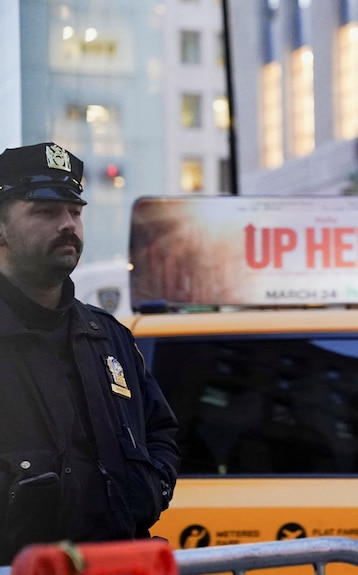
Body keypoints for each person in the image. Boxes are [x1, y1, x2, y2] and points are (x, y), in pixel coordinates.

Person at [0, 142, 180, 563]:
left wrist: (149, 490)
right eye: (44, 212)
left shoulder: (109, 336)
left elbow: (161, 432)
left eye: (75, 212)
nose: (68, 225)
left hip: (118, 564)